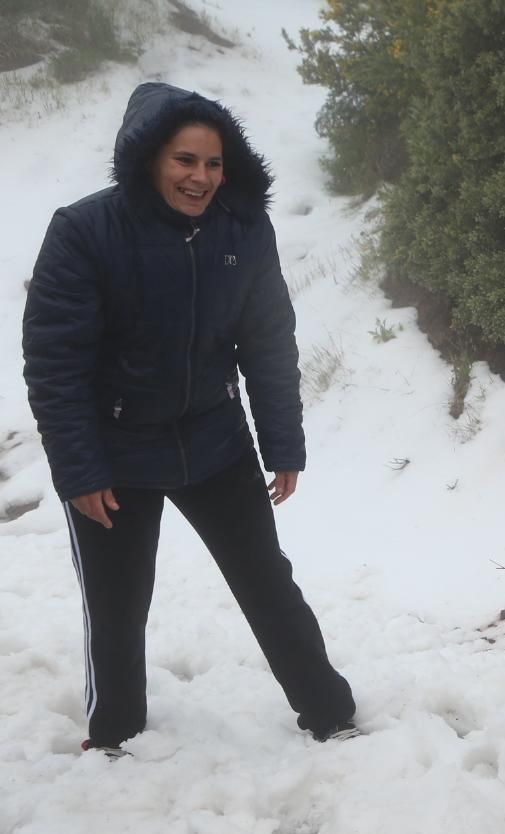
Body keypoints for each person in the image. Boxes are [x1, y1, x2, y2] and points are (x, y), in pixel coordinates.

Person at [21, 82, 359, 755]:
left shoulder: (241, 228)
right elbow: (55, 365)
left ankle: (331, 713)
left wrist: (282, 441)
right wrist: (79, 470)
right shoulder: (85, 231)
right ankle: (114, 736)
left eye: (212, 163)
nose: (199, 177)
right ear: (148, 157)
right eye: (184, 160)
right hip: (115, 452)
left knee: (266, 579)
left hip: (213, 437)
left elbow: (265, 341)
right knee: (116, 606)